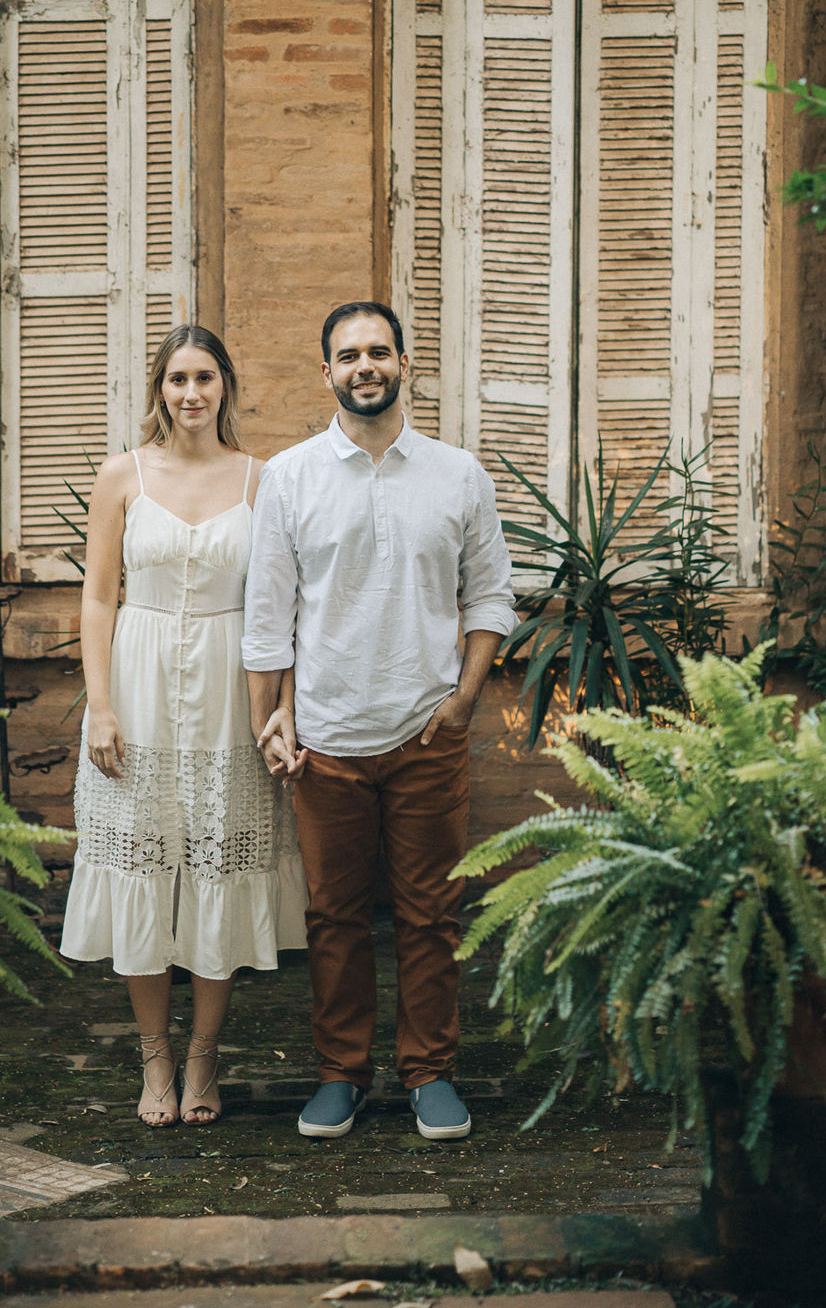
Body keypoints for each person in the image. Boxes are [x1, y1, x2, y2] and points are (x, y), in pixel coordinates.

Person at [242, 302, 517, 1142]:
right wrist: (272, 722)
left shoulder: (458, 474)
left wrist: (464, 699)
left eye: (379, 352)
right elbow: (267, 615)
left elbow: (492, 597)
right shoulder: (289, 477)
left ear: (405, 364)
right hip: (327, 736)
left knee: (432, 914)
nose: (366, 366)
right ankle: (341, 1074)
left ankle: (431, 1072)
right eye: (348, 355)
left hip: (427, 733)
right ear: (325, 372)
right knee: (334, 917)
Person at [60, 325, 307, 1128]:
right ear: (159, 389)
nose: (191, 393)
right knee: (141, 862)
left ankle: (203, 1059)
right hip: (137, 683)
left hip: (232, 694)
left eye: (205, 378)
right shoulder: (120, 476)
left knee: (218, 873)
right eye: (177, 379)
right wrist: (101, 706)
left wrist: (280, 710)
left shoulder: (263, 482)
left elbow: (284, 606)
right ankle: (153, 1059)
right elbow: (99, 597)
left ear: (226, 386)